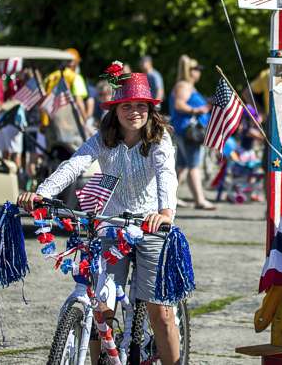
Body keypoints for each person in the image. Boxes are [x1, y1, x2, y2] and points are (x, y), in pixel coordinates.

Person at [17, 71, 182, 365]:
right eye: (127, 106)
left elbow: (166, 174)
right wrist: (41, 193)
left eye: (141, 106)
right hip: (112, 226)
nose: (135, 112)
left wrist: (166, 212)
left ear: (150, 109)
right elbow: (74, 165)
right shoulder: (102, 139)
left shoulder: (159, 139)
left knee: (160, 312)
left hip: (151, 226)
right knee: (98, 304)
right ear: (115, 110)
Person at [170, 55, 215, 210]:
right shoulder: (184, 86)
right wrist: (197, 110)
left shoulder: (187, 86)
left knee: (181, 167)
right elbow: (178, 104)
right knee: (194, 166)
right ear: (189, 71)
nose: (199, 73)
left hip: (184, 131)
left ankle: (169, 197)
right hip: (188, 132)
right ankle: (200, 200)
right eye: (196, 69)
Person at [43, 48, 89, 120]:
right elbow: (79, 101)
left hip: (49, 119)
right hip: (69, 123)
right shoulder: (75, 77)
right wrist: (86, 119)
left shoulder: (51, 76)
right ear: (74, 63)